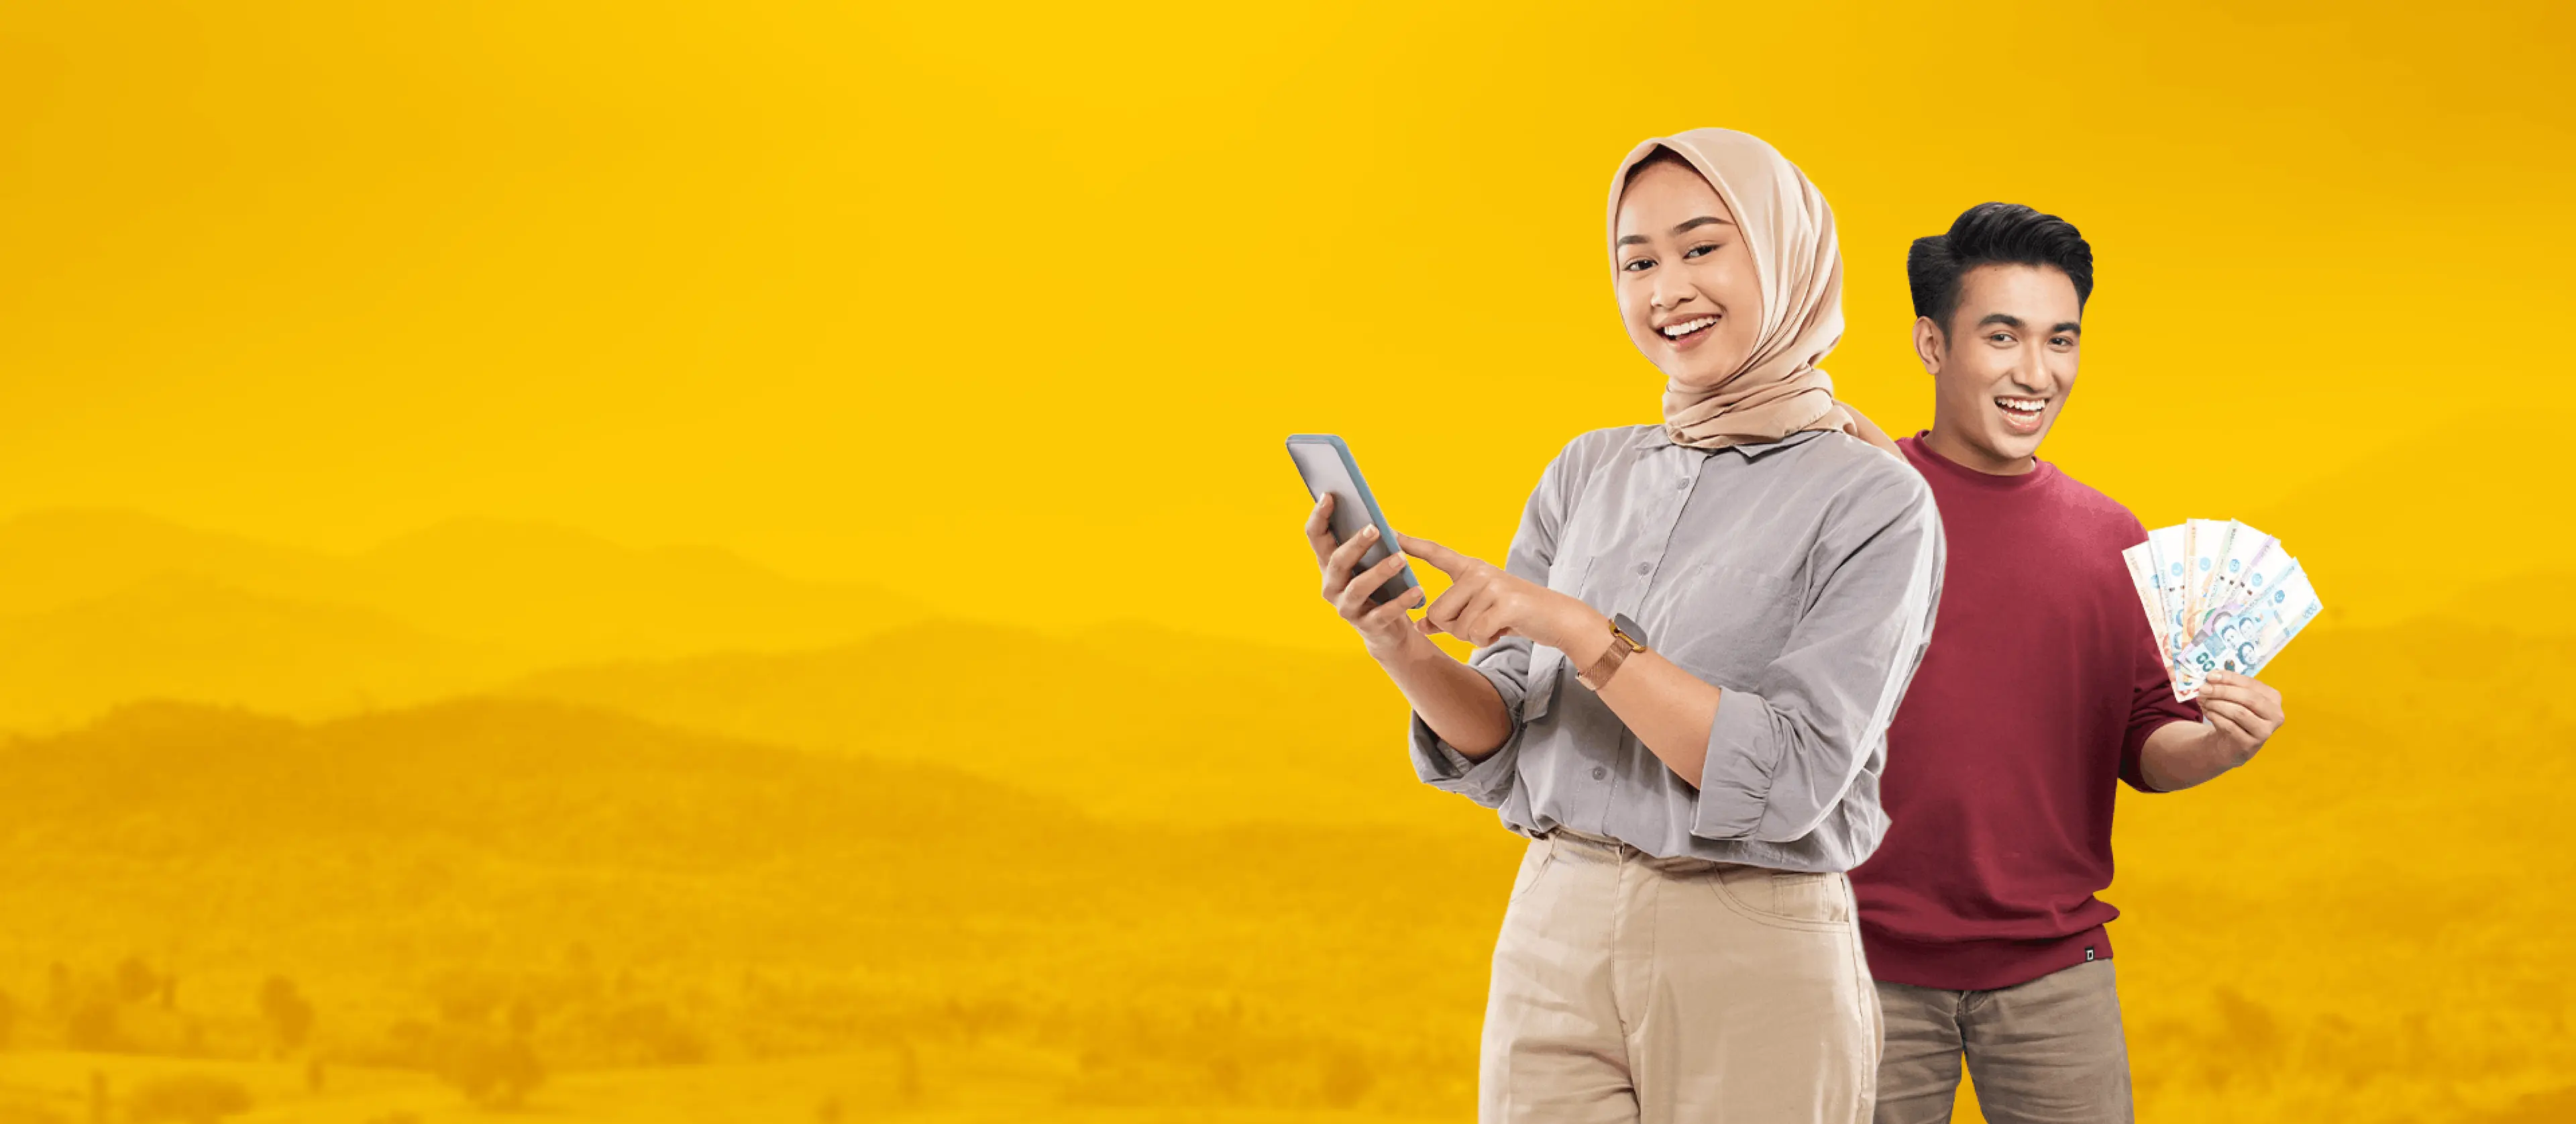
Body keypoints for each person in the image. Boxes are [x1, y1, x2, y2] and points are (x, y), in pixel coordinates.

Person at [1300, 127, 1945, 1123]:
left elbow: (1791, 778)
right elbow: (1503, 732)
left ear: (1785, 254)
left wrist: (1581, 630)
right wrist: (1401, 644)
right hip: (1557, 917)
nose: (1666, 289)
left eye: (1700, 248)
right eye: (1635, 261)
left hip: (1751, 942)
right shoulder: (1587, 470)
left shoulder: (1874, 501)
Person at [1850, 203, 2292, 1123]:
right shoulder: (1858, 508)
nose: (2035, 373)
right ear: (1931, 344)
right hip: (1857, 961)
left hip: (2058, 972)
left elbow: (2145, 743)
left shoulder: (2110, 536)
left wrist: (2216, 745)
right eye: (2002, 336)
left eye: (2062, 340)